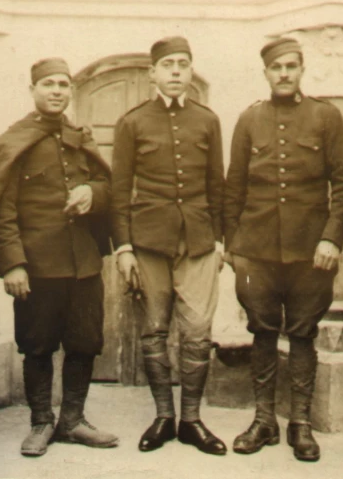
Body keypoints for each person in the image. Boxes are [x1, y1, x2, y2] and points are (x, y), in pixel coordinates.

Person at [223, 37, 343, 462]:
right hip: (254, 252)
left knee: (302, 333)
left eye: (291, 66)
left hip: (311, 251)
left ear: (301, 70)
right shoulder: (249, 119)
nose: (284, 73)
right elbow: (234, 186)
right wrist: (233, 247)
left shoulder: (326, 116)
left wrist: (332, 238)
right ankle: (264, 421)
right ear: (265, 72)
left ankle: (301, 423)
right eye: (276, 66)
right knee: (261, 330)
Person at [0, 57, 118, 457]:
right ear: (33, 90)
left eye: (63, 84)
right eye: (48, 84)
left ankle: (72, 420)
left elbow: (110, 187)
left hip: (83, 263)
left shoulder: (80, 137)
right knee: (37, 345)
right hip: (36, 267)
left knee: (85, 343)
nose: (57, 91)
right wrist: (13, 263)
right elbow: (2, 209)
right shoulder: (13, 141)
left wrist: (93, 193)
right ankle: (41, 422)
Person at [112, 36, 227, 456]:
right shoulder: (132, 122)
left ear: (191, 70)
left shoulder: (207, 120)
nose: (176, 71)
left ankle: (192, 420)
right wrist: (123, 248)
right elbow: (120, 189)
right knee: (154, 330)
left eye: (183, 63)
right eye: (168, 65)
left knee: (197, 332)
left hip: (197, 241)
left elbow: (217, 184)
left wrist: (218, 241)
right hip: (148, 242)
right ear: (153, 73)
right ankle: (163, 416)